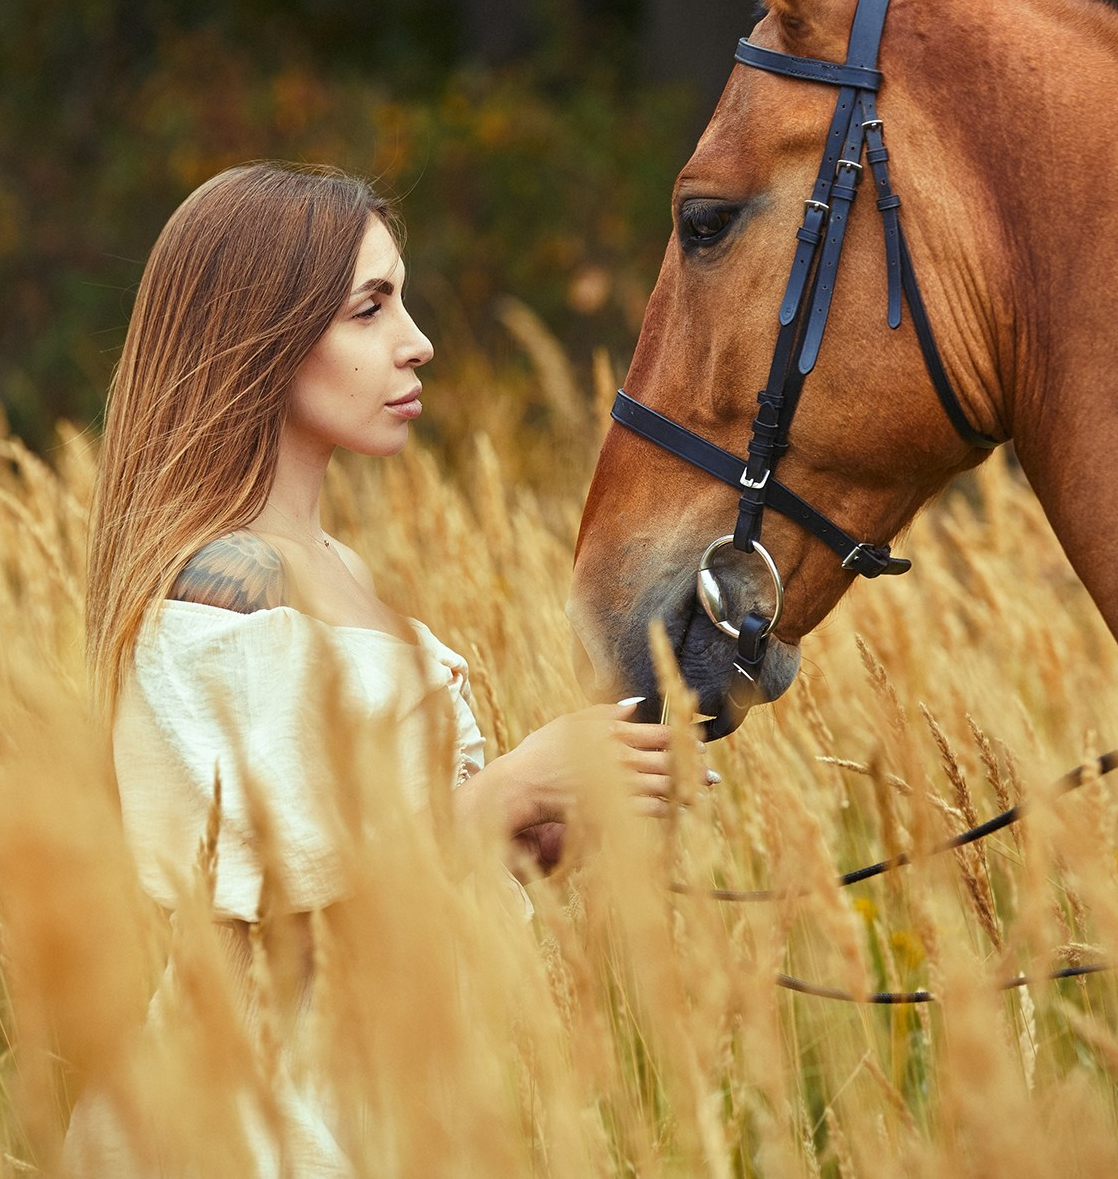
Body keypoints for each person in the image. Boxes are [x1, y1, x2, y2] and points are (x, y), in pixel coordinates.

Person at [68, 160, 704, 1175]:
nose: (417, 342)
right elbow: (275, 888)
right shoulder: (221, 581)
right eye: (370, 309)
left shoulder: (337, 569)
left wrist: (536, 828)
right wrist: (505, 788)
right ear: (260, 336)